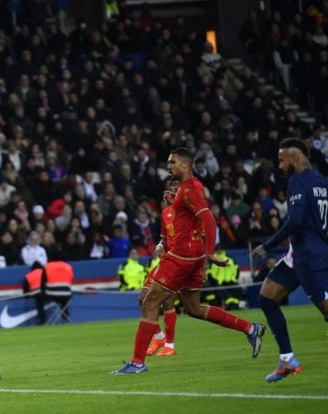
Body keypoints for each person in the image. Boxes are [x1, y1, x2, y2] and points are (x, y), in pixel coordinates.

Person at [112, 148, 265, 374]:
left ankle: (137, 362)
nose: (168, 166)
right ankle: (250, 328)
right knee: (193, 308)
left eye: (172, 162)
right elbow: (192, 217)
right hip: (194, 257)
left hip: (182, 256)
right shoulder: (190, 188)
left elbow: (209, 220)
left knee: (149, 302)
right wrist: (176, 202)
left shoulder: (190, 189)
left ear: (185, 165)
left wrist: (211, 252)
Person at [252, 138, 328, 382]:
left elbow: (294, 221)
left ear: (295, 158)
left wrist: (268, 245)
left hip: (309, 257)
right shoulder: (322, 182)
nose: (280, 166)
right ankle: (287, 359)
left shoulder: (298, 181)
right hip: (300, 255)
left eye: (283, 160)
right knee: (266, 298)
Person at [145, 183, 180, 357]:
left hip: (180, 262)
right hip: (166, 260)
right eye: (166, 190)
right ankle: (159, 337)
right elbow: (164, 238)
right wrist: (160, 245)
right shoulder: (165, 214)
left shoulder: (188, 212)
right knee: (142, 298)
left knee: (168, 302)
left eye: (171, 190)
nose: (166, 194)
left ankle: (170, 345)